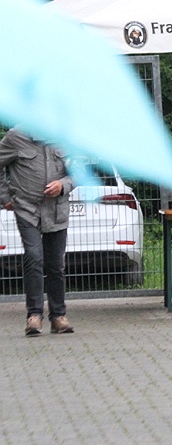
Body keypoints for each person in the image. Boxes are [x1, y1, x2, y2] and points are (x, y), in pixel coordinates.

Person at [0, 128, 75, 336]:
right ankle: (34, 316)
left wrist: (63, 185)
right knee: (34, 257)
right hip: (27, 209)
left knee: (56, 263)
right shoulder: (15, 137)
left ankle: (58, 316)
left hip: (57, 211)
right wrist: (5, 197)